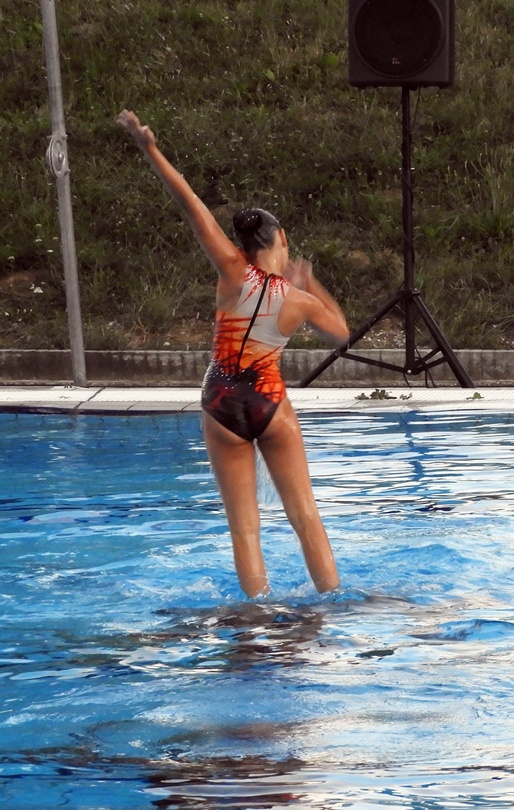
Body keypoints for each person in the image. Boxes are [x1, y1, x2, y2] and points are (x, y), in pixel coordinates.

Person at [117, 110, 349, 598]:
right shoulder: (298, 300)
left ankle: (256, 613)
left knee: (244, 529)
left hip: (221, 400)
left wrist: (149, 147)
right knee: (305, 515)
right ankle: (332, 600)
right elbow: (342, 334)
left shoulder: (230, 270)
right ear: (282, 239)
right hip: (269, 401)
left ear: (242, 245)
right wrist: (310, 283)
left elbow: (190, 203)